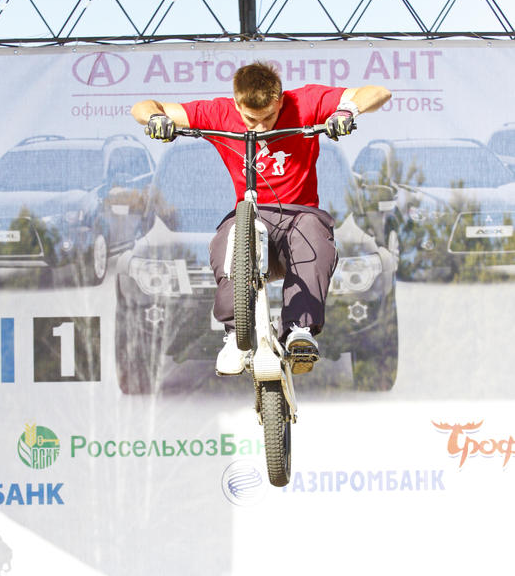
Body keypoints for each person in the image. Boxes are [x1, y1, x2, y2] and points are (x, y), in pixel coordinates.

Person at [131, 62, 391, 376]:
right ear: (237, 104)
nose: (261, 128)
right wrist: (156, 119)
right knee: (229, 235)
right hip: (250, 217)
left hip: (298, 218)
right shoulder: (219, 113)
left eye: (269, 117)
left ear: (280, 100)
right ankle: (235, 336)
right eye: (251, 120)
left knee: (313, 230)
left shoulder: (305, 103)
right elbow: (143, 107)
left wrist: (347, 111)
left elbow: (378, 92)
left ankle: (299, 331)